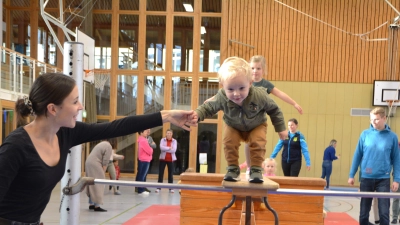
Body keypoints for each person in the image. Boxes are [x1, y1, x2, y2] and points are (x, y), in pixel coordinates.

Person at [0, 73, 198, 224]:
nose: (81, 106)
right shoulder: (16, 146)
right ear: (53, 109)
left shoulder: (65, 133)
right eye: (75, 101)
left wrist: (166, 116)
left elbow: (115, 127)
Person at [193, 56, 287, 183]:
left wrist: (281, 128)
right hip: (233, 125)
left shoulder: (259, 95)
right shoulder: (222, 97)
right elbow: (208, 107)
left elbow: (274, 110)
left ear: (250, 83)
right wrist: (197, 115)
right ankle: (232, 168)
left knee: (258, 142)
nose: (236, 94)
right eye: (230, 89)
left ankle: (256, 170)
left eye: (242, 88)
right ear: (223, 86)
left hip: (256, 125)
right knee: (228, 142)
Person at [205, 55, 302, 174]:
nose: (255, 71)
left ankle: (254, 167)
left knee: (255, 142)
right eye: (252, 68)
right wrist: (211, 100)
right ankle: (249, 167)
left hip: (255, 119)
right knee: (234, 142)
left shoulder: (264, 84)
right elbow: (224, 92)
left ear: (263, 70)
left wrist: (294, 103)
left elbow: (279, 94)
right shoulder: (241, 80)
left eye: (258, 68)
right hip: (240, 119)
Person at [348, 107, 400, 225]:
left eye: (376, 119)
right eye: (371, 119)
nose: (373, 122)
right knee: (364, 213)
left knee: (384, 213)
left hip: (384, 179)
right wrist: (352, 174)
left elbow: (397, 159)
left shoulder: (392, 137)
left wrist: (397, 179)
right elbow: (357, 155)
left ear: (384, 118)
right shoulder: (365, 134)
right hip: (366, 178)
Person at [86, 140, 113, 212]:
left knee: (91, 183)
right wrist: (103, 171)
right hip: (95, 164)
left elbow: (111, 156)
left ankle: (91, 204)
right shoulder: (109, 146)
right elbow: (106, 160)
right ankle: (97, 206)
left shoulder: (102, 144)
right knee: (99, 184)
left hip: (89, 162)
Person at [155, 129, 177, 193]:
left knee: (170, 174)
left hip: (171, 159)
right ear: (166, 134)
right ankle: (158, 188)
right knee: (161, 173)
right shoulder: (162, 140)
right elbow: (161, 148)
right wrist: (169, 148)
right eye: (168, 133)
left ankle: (171, 188)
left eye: (170, 133)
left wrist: (166, 148)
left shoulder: (174, 141)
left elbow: (174, 150)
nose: (169, 134)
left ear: (172, 134)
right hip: (163, 159)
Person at [136, 129, 153, 195]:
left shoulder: (142, 139)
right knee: (142, 175)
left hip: (143, 159)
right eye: (145, 131)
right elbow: (150, 151)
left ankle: (140, 189)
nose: (147, 132)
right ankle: (141, 190)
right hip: (144, 160)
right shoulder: (143, 140)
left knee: (141, 175)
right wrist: (151, 148)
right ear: (141, 132)